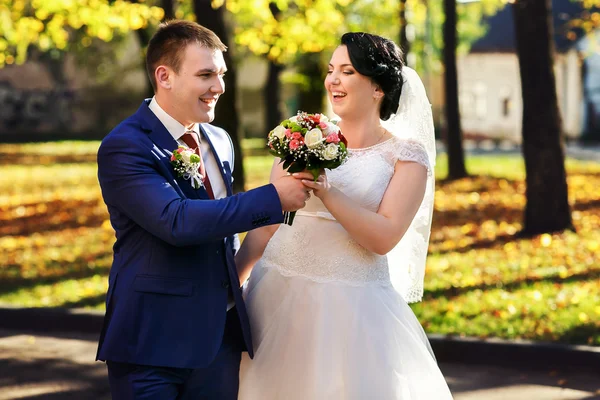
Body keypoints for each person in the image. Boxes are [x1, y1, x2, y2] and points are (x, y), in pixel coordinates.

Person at [95, 20, 312, 400]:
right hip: (151, 345)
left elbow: (221, 238)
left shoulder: (220, 140)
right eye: (206, 74)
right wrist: (272, 198)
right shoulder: (124, 146)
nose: (219, 87)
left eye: (222, 74)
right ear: (165, 76)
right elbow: (176, 220)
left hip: (219, 342)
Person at [236, 32, 454, 399]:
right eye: (331, 70)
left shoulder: (405, 157)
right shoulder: (301, 136)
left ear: (378, 88)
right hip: (275, 294)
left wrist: (327, 191)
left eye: (348, 71)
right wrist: (229, 289)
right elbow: (268, 225)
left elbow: (383, 237)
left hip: (352, 310)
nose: (333, 80)